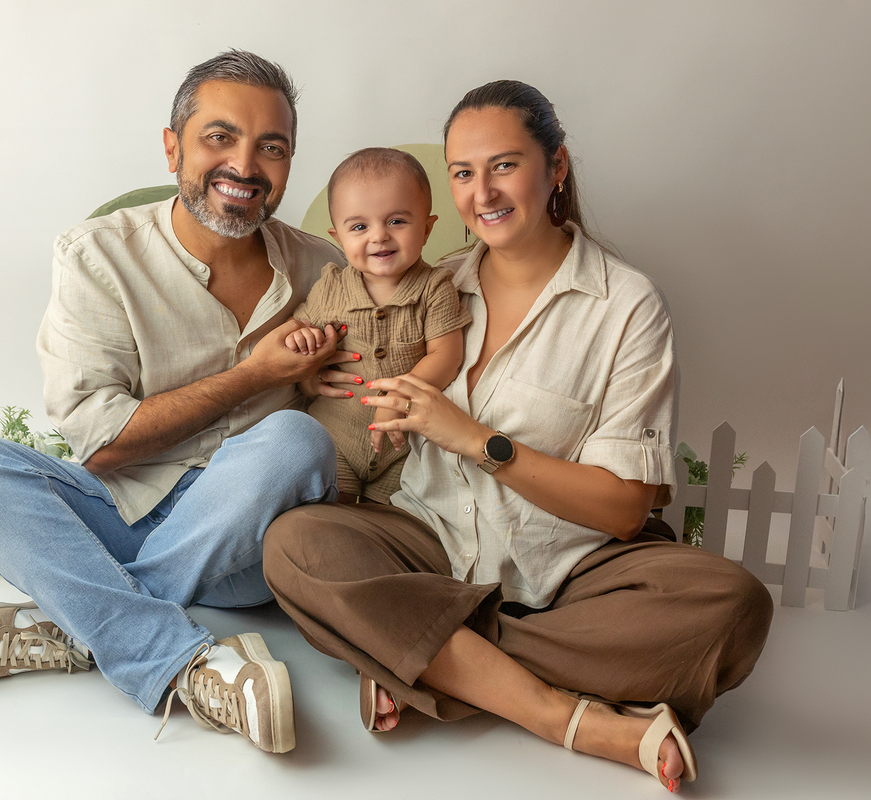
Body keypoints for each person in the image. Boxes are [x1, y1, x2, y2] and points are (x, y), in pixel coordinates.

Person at [263, 80, 773, 790]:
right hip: (427, 539)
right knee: (295, 546)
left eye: (504, 165)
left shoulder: (626, 306)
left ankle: (416, 656)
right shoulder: (430, 284)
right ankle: (561, 713)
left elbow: (626, 509)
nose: (484, 193)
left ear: (555, 166)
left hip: (570, 569)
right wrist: (320, 374)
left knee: (735, 607)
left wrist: (476, 440)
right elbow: (350, 368)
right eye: (464, 173)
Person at [0, 50, 353, 755]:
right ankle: (179, 657)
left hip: (247, 548)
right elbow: (101, 443)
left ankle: (84, 622)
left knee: (297, 443)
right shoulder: (97, 255)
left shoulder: (325, 268)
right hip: (116, 515)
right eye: (220, 137)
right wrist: (255, 374)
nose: (245, 166)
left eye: (271, 147)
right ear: (172, 146)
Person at [284, 148, 470, 504]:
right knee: (330, 518)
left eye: (397, 221)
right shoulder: (331, 286)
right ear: (338, 237)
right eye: (359, 227)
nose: (379, 236)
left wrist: (398, 394)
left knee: (388, 525)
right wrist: (304, 347)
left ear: (427, 227)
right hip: (334, 438)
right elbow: (296, 330)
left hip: (406, 449)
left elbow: (447, 356)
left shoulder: (435, 287)